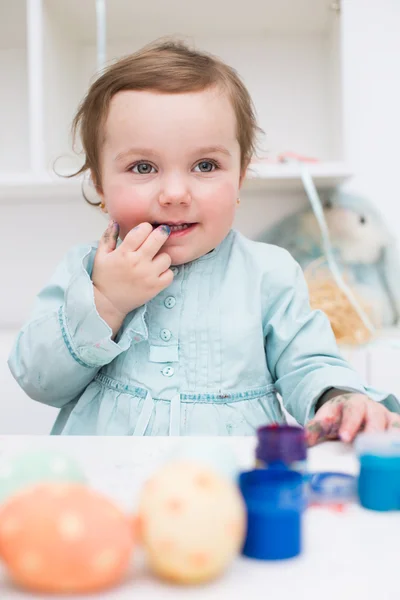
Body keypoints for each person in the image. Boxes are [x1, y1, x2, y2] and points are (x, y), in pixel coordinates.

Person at [8, 40, 400, 441]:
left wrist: (338, 397)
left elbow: (309, 363)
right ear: (100, 183)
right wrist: (105, 303)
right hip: (106, 485)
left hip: (233, 482)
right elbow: (39, 380)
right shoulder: (86, 271)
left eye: (205, 165)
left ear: (240, 178)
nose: (175, 192)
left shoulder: (270, 273)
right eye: (143, 167)